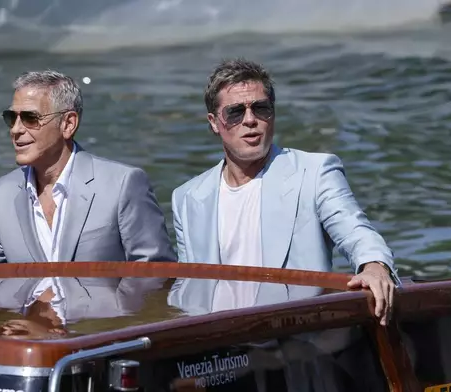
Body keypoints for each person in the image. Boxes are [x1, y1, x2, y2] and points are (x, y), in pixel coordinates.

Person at [171, 58, 400, 326]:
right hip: (218, 342)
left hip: (292, 337)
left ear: (273, 114)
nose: (250, 120)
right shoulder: (187, 198)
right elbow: (186, 287)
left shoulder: (314, 172)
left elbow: (357, 232)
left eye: (261, 109)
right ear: (214, 122)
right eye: (235, 112)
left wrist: (374, 267)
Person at [0, 70, 177, 287]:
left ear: (68, 124)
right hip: (29, 336)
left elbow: (156, 274)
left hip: (101, 334)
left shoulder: (123, 184)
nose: (15, 129)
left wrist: (107, 322)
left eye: (30, 118)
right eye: (10, 118)